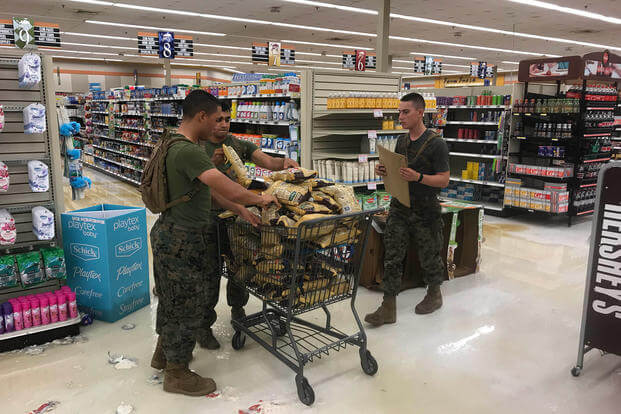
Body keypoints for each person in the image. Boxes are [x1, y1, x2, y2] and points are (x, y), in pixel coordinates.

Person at [149, 90, 279, 396]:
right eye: (215, 118)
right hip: (183, 238)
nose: (220, 126)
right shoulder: (190, 151)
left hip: (171, 231)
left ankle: (164, 354)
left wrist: (239, 210)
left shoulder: (172, 141)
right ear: (201, 117)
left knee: (171, 300)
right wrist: (260, 199)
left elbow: (206, 191)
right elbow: (227, 186)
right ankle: (177, 373)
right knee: (186, 305)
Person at [198, 101, 299, 349]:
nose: (223, 124)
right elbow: (204, 186)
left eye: (227, 119)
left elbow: (265, 160)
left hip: (238, 217)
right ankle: (204, 325)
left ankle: (238, 308)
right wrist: (212, 161)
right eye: (218, 119)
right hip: (208, 219)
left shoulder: (236, 144)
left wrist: (284, 163)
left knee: (239, 266)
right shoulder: (198, 147)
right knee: (209, 273)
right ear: (207, 119)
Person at [365, 92, 450, 327]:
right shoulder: (402, 141)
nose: (400, 116)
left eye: (406, 112)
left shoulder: (437, 144)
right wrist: (386, 171)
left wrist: (419, 177)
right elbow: (400, 173)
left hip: (426, 209)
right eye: (399, 112)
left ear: (420, 113)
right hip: (400, 206)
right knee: (392, 256)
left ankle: (434, 294)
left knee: (429, 254)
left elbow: (443, 180)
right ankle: (388, 307)